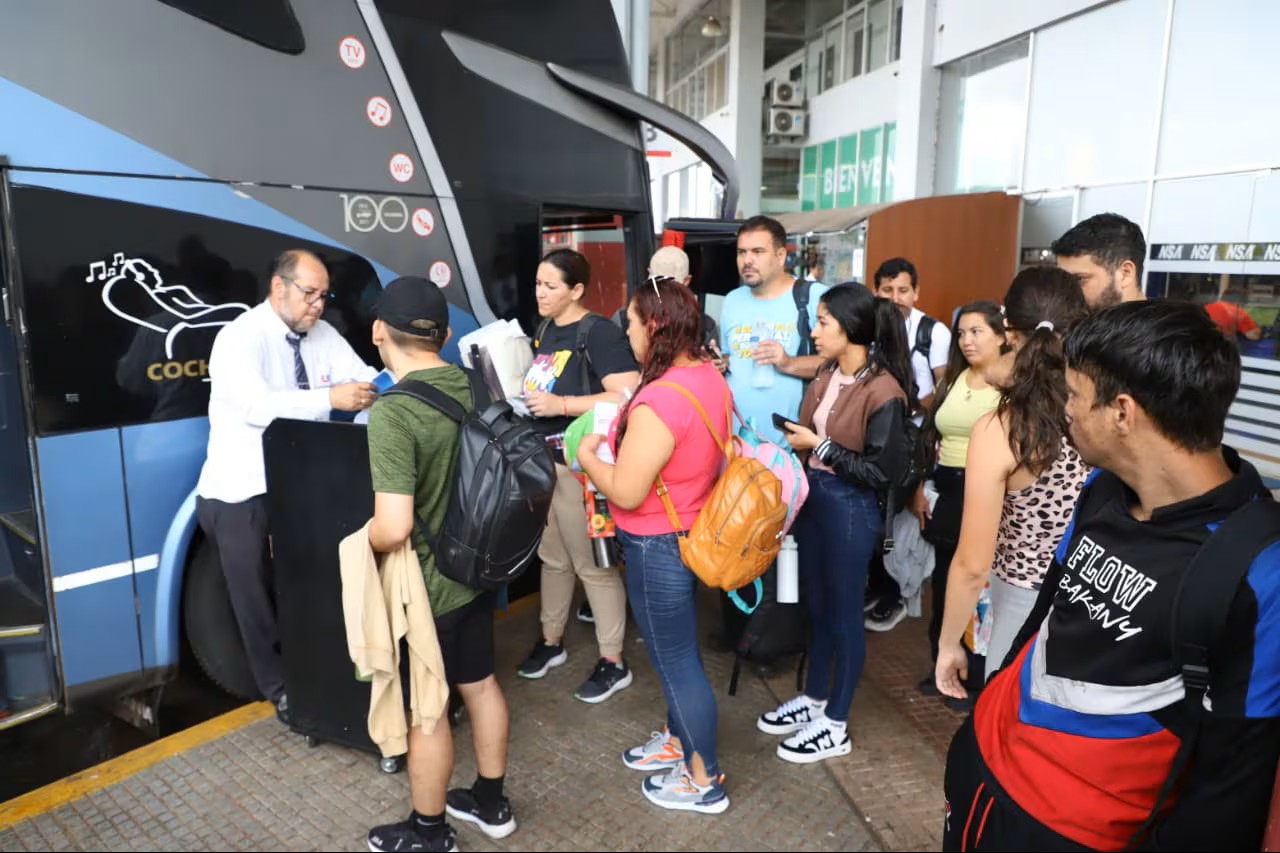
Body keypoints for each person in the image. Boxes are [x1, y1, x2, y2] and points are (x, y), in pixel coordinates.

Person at [941, 300, 1280, 851]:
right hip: (984, 784)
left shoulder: (1258, 567)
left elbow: (1232, 785)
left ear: (1122, 411)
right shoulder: (1101, 490)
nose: (1065, 409)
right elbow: (1042, 621)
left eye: (1073, 395)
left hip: (1076, 831)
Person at [363, 277, 515, 853]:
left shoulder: (393, 414)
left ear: (380, 331)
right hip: (481, 568)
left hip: (431, 583)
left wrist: (360, 544)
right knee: (479, 683)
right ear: (446, 336)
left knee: (429, 707)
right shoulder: (476, 386)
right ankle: (491, 800)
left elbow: (395, 525)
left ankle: (429, 832)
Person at [195, 249, 376, 722]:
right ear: (279, 288)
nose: (319, 305)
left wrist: (369, 395)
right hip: (239, 490)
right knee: (252, 594)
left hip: (296, 484)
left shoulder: (322, 334)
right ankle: (279, 689)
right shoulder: (239, 338)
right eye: (309, 294)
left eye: (324, 295)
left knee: (307, 582)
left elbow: (359, 378)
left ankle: (319, 670)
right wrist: (329, 398)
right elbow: (258, 408)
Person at [577, 277, 733, 814]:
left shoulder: (659, 401)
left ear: (656, 326)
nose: (626, 332)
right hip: (690, 529)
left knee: (674, 660)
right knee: (677, 651)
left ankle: (703, 777)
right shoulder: (707, 375)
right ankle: (677, 739)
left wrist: (590, 453)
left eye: (630, 323)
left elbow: (625, 488)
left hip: (654, 542)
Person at [756, 284, 910, 764]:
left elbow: (883, 472)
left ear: (852, 329)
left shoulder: (885, 391)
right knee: (818, 607)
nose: (813, 330)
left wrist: (818, 445)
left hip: (850, 508)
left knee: (844, 617)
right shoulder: (826, 372)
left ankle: (836, 722)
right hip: (814, 500)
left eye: (823, 322)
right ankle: (817, 699)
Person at [935, 268, 1091, 702]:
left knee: (1008, 733)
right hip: (1095, 602)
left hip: (1024, 604)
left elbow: (971, 564)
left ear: (1007, 329)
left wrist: (949, 645)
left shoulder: (1002, 427)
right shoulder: (1102, 410)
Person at [517, 248, 640, 703]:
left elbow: (628, 394)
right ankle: (551, 642)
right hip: (541, 461)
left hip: (582, 466)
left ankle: (613, 661)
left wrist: (562, 407)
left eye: (551, 286)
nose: (540, 293)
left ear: (578, 290)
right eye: (538, 283)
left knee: (593, 564)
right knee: (553, 559)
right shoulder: (546, 330)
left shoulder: (599, 332)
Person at [903, 301, 1007, 705]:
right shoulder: (955, 379)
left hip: (986, 493)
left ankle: (978, 678)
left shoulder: (1010, 385)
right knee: (946, 583)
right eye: (961, 332)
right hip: (945, 490)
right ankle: (942, 665)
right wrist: (920, 488)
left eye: (977, 331)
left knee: (980, 588)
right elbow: (930, 437)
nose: (966, 340)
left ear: (1002, 336)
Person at [720, 215, 828, 446]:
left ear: (780, 256)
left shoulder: (812, 297)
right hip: (736, 448)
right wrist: (719, 362)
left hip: (792, 449)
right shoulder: (732, 300)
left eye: (758, 252)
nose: (747, 260)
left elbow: (841, 364)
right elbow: (730, 357)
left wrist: (788, 362)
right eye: (742, 252)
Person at [613, 246, 722, 365]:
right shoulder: (625, 319)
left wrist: (711, 366)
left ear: (687, 281)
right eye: (657, 284)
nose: (662, 293)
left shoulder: (704, 326)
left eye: (669, 287)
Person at [1052, 212, 1147, 309]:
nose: (1066, 293)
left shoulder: (1160, 324)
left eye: (1079, 279)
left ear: (1125, 273)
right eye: (1063, 281)